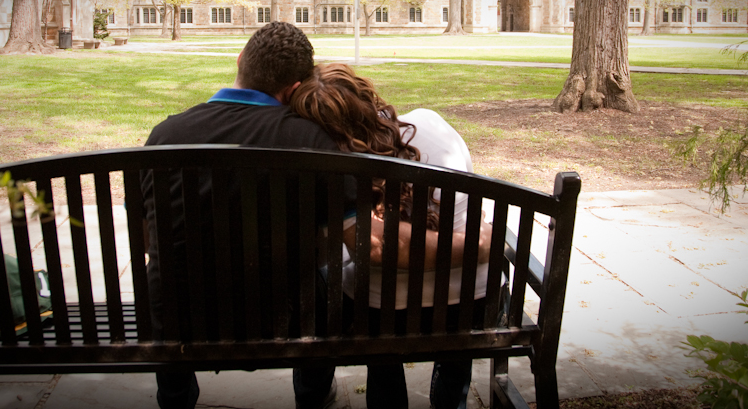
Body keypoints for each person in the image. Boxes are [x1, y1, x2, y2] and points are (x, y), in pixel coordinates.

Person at [141, 22, 349, 409]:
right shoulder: (309, 140)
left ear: (239, 60)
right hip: (284, 318)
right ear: (295, 89)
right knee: (321, 276)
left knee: (165, 274)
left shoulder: (165, 135)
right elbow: (344, 229)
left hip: (180, 319)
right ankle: (314, 395)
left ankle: (174, 396)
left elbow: (147, 236)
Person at [289, 63, 500, 409]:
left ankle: (325, 395)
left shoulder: (335, 168)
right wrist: (480, 242)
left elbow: (361, 249)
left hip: (385, 316)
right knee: (453, 303)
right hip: (473, 306)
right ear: (366, 94)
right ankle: (450, 401)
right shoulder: (430, 122)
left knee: (344, 286)